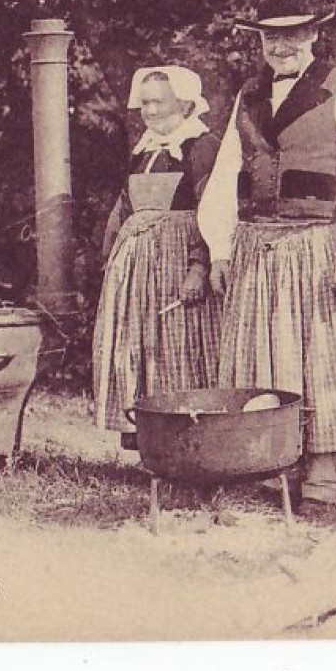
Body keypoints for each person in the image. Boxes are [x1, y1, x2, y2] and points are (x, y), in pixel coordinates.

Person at [197, 0, 336, 508]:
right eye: (271, 35)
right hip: (256, 245)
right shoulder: (248, 96)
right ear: (260, 40)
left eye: (292, 33)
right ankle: (264, 468)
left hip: (317, 244)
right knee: (259, 359)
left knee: (323, 359)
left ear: (313, 35)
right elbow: (224, 175)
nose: (281, 44)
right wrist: (219, 248)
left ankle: (324, 475)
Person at [90, 66, 223, 447]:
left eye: (157, 102)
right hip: (138, 269)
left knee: (177, 346)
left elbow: (212, 211)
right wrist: (112, 256)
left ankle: (189, 440)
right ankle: (150, 440)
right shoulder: (144, 149)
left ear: (183, 104)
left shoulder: (201, 146)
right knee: (140, 343)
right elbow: (124, 207)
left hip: (177, 264)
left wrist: (199, 266)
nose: (148, 110)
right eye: (144, 102)